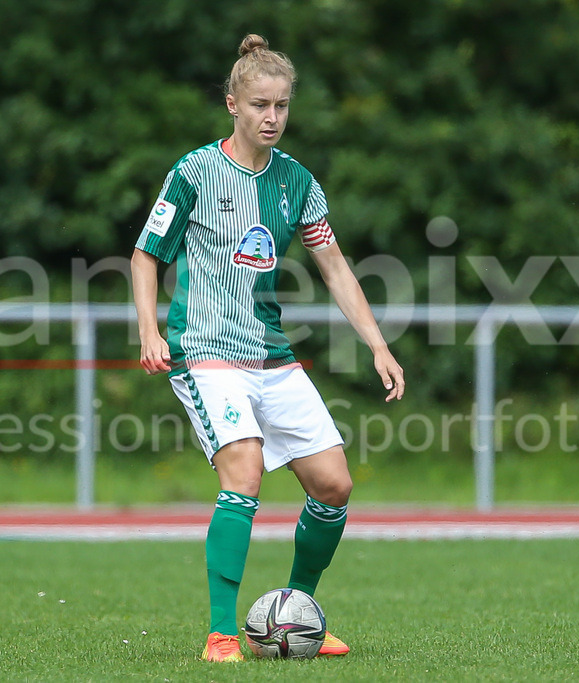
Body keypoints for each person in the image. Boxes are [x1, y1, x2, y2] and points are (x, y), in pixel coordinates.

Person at [130, 34, 404, 663]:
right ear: (233, 103)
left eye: (282, 105)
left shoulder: (298, 183)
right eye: (260, 105)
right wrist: (149, 331)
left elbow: (334, 267)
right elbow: (146, 256)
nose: (272, 117)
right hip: (205, 351)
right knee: (245, 473)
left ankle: (296, 613)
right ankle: (222, 635)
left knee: (334, 484)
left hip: (271, 355)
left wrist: (378, 346)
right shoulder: (195, 172)